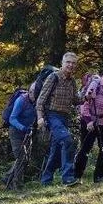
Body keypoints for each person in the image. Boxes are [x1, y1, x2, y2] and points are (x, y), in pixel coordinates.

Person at [37, 52, 82, 187]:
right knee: (68, 140)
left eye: (73, 63)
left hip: (64, 117)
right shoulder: (53, 78)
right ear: (62, 63)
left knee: (56, 149)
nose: (70, 65)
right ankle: (68, 177)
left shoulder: (72, 81)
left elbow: (75, 100)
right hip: (52, 115)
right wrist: (40, 117)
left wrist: (87, 97)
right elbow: (41, 100)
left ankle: (46, 180)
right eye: (68, 62)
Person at [74, 65, 103, 183]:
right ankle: (77, 176)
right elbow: (86, 104)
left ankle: (99, 176)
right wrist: (88, 121)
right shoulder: (96, 85)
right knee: (86, 148)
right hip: (90, 121)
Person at [2, 85, 37, 189]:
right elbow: (12, 118)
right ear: (30, 92)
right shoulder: (21, 101)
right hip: (16, 131)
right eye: (35, 94)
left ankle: (7, 178)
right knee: (21, 157)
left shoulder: (37, 101)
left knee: (25, 159)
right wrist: (22, 128)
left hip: (28, 132)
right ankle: (17, 185)